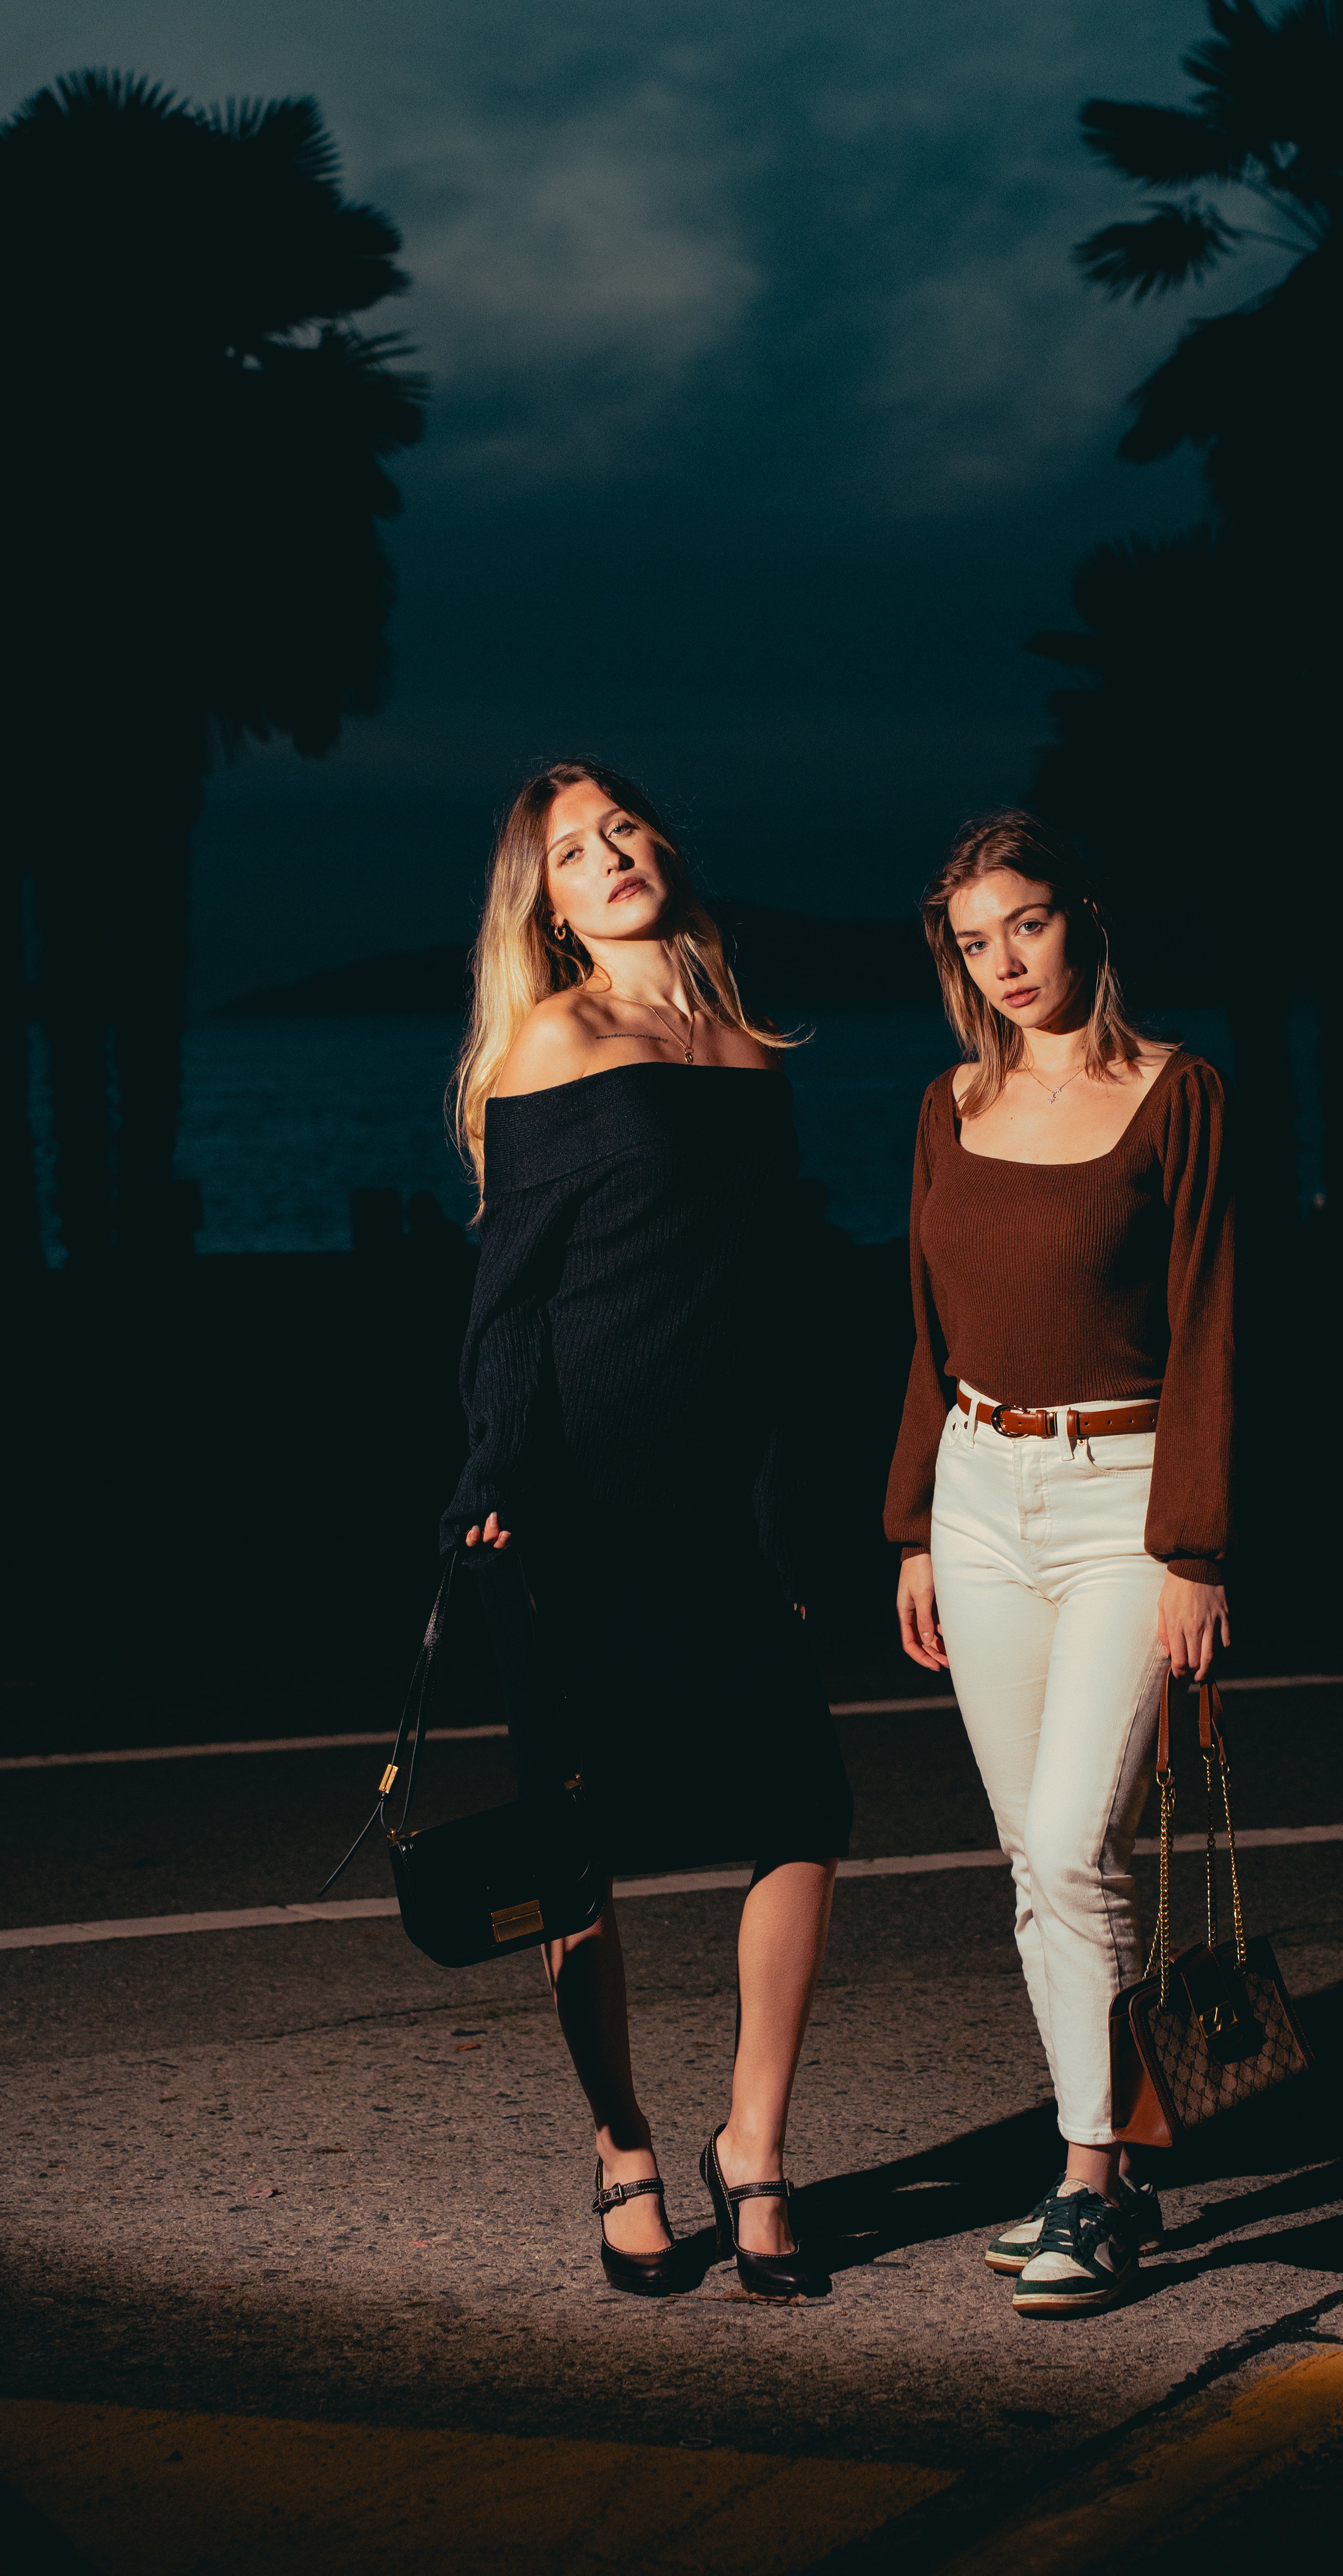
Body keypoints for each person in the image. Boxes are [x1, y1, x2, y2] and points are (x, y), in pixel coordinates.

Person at [445, 756, 852, 2300]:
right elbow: (511, 1300)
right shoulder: (555, 1039)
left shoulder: (752, 1054)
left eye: (623, 828)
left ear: (667, 852)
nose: (609, 854)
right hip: (571, 1505)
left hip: (722, 1496)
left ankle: (752, 2145)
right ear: (542, 904)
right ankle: (623, 2146)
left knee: (806, 1807)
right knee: (578, 1849)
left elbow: (772, 1314)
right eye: (572, 849)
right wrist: (489, 1476)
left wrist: (789, 1510)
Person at [885, 810, 1234, 2319]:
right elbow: (924, 1323)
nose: (1002, 959)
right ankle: (1104, 2161)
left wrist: (1193, 1550)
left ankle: (1091, 2179)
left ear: (1080, 916)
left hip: (1120, 1498)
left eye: (1022, 922)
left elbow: (1215, 1321)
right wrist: (911, 1520)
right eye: (973, 939)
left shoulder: (1178, 1093)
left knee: (1077, 1841)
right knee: (1034, 1860)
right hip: (975, 1492)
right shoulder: (948, 1105)